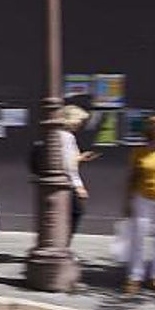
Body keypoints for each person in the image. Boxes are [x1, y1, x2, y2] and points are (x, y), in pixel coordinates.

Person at [121, 115, 155, 294]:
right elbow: (131, 178)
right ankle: (135, 277)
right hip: (142, 199)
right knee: (138, 238)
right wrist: (127, 201)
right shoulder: (139, 151)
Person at [58, 104, 96, 242]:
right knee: (76, 213)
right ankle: (64, 246)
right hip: (67, 182)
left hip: (59, 181)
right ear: (71, 120)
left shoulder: (56, 134)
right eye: (80, 120)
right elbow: (69, 166)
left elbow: (65, 160)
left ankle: (61, 245)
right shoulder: (68, 137)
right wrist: (78, 186)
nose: (81, 124)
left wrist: (79, 158)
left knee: (62, 215)